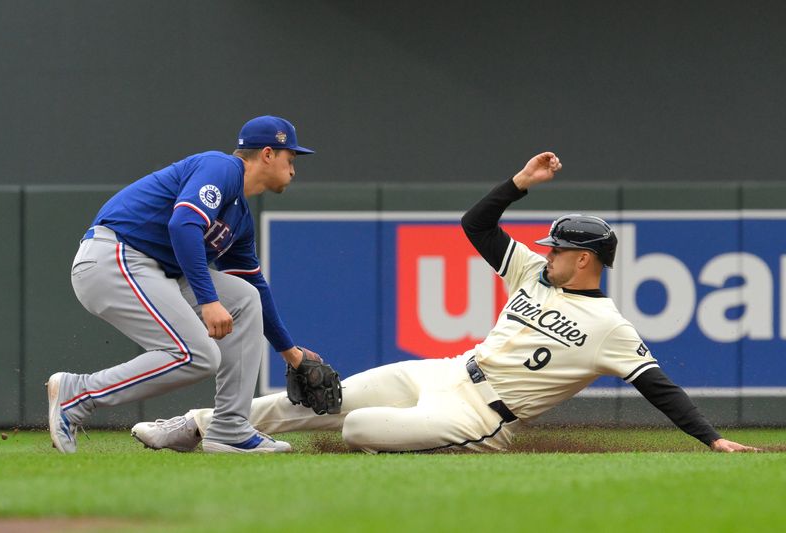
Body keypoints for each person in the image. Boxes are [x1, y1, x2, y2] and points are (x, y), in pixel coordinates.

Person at [131, 152, 759, 454]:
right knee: (328, 396)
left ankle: (266, 438)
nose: (549, 252)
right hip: (448, 370)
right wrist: (518, 184)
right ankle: (194, 427)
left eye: (561, 249)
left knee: (353, 427)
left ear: (587, 260)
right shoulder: (538, 274)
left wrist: (713, 441)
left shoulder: (609, 326)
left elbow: (661, 387)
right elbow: (476, 224)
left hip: (486, 416)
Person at [47, 115, 322, 454]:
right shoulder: (221, 167)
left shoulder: (240, 218)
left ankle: (230, 427)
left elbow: (256, 286)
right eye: (289, 158)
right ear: (267, 153)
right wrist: (208, 301)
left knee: (245, 298)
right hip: (114, 256)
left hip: (153, 269)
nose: (293, 168)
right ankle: (79, 395)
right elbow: (184, 225)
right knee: (197, 354)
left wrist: (291, 353)